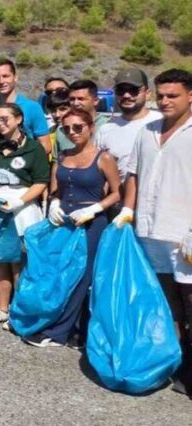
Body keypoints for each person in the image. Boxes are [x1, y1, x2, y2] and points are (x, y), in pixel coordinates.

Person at [122, 68, 192, 393]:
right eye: (161, 95)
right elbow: (133, 174)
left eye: (172, 95)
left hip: (185, 235)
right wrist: (127, 211)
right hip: (151, 232)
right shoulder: (146, 130)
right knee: (166, 304)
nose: (165, 101)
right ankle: (173, 364)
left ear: (190, 96)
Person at [31, 108, 122, 347]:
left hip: (91, 222)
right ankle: (72, 329)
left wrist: (95, 209)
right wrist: (55, 203)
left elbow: (116, 193)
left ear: (91, 127)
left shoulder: (104, 158)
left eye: (78, 127)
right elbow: (56, 189)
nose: (72, 132)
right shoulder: (62, 157)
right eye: (67, 128)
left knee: (82, 276)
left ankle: (60, 332)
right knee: (62, 273)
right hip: (65, 221)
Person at [0, 102, 51, 329]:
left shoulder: (34, 148)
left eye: (5, 118)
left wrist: (20, 200)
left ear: (19, 119)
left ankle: (20, 311)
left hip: (21, 208)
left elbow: (41, 182)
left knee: (18, 261)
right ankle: (2, 308)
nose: (0, 123)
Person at [96, 68, 161, 181]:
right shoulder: (105, 129)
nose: (126, 95)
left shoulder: (162, 123)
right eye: (121, 90)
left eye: (133, 90)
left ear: (148, 93)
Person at [0, 58, 52, 154]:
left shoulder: (32, 107)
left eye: (5, 76)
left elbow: (46, 145)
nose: (1, 81)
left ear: (15, 77)